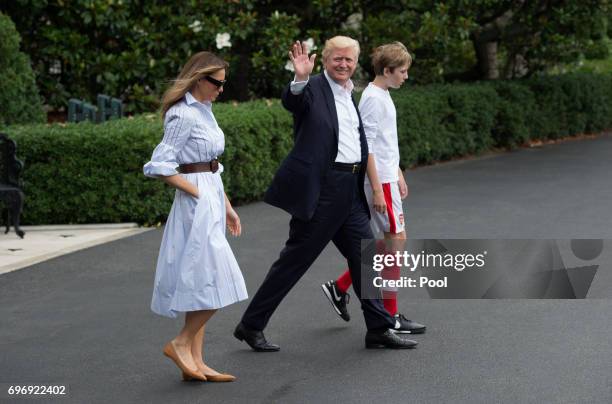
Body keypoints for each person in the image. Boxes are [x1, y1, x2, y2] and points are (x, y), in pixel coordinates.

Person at [234, 36, 418, 351]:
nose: (343, 65)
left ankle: (378, 328)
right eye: (337, 59)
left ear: (356, 63)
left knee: (367, 256)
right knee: (294, 261)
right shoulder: (313, 89)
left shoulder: (349, 94)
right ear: (325, 60)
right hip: (324, 191)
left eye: (349, 60)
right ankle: (251, 325)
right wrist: (300, 77)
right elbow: (294, 102)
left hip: (350, 189)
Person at [143, 51, 247, 382]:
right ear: (199, 79)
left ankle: (196, 362)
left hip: (210, 196)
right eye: (216, 82)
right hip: (196, 203)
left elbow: (211, 165)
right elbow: (159, 165)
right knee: (218, 277)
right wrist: (199, 193)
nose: (221, 89)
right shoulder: (182, 114)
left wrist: (226, 204)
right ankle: (181, 343)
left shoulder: (205, 111)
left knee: (202, 280)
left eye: (223, 83)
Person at [321, 42, 426, 335]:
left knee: (390, 243)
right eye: (402, 71)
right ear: (387, 70)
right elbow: (365, 146)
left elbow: (384, 144)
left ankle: (341, 286)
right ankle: (389, 315)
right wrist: (379, 189)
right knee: (396, 242)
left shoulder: (382, 94)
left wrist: (399, 172)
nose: (405, 76)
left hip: (387, 177)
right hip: (378, 181)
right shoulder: (373, 99)